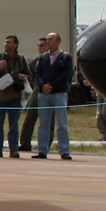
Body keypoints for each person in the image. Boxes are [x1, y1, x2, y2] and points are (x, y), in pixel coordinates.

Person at [0, 34, 30, 157]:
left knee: (14, 126)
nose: (7, 44)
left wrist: (23, 77)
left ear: (16, 45)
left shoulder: (21, 59)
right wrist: (0, 68)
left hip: (15, 97)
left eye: (10, 42)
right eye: (6, 42)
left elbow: (29, 75)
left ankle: (13, 149)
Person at [34, 32, 73, 160]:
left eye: (51, 39)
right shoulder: (42, 58)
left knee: (61, 124)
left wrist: (53, 86)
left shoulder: (66, 57)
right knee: (43, 123)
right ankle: (42, 150)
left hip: (59, 93)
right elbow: (37, 74)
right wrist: (43, 86)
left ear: (58, 42)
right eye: (47, 39)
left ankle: (64, 150)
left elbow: (66, 76)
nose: (48, 42)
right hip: (44, 95)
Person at [20, 37, 46, 154]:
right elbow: (30, 75)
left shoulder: (54, 59)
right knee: (30, 117)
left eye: (42, 45)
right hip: (37, 90)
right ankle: (25, 143)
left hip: (50, 91)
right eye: (38, 45)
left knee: (48, 121)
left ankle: (45, 146)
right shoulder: (35, 61)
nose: (39, 48)